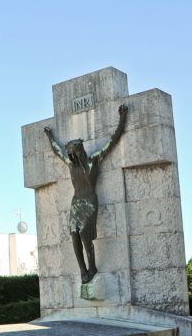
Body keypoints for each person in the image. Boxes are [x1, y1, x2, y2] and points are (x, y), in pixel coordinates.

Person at [43, 104, 128, 284]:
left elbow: (112, 141)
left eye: (74, 153)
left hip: (89, 201)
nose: (72, 156)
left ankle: (92, 266)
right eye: (71, 154)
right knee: (73, 234)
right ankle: (83, 270)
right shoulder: (71, 165)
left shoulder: (94, 161)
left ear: (80, 151)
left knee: (83, 234)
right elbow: (57, 151)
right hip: (76, 202)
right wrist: (49, 136)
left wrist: (122, 118)